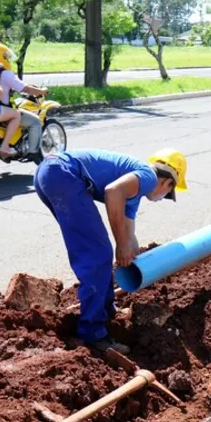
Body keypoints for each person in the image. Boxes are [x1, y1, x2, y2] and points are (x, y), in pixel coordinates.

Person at [34, 148, 188, 354]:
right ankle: (93, 333)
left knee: (97, 250)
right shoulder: (148, 177)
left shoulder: (133, 191)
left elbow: (130, 238)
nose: (162, 198)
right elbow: (113, 191)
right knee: (98, 254)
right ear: (167, 182)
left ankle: (106, 310)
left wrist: (140, 266)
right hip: (63, 173)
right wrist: (121, 245)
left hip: (50, 173)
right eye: (168, 194)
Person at [0, 43, 50, 163]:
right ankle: (34, 153)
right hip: (3, 111)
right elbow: (25, 89)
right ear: (1, 57)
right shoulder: (5, 74)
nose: (8, 60)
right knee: (35, 122)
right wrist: (41, 91)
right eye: (6, 57)